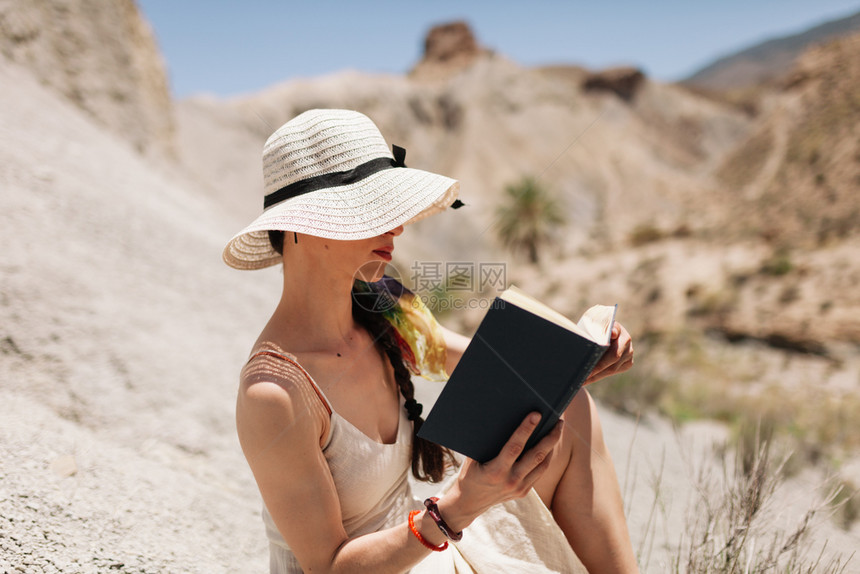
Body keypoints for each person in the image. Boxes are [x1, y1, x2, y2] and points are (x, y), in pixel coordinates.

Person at [223, 109, 638, 573]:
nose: (396, 227)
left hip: (425, 545)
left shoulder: (382, 308)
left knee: (574, 406)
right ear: (303, 225)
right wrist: (458, 506)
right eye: (370, 210)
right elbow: (330, 567)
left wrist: (581, 358)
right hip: (395, 555)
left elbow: (495, 366)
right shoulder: (274, 393)